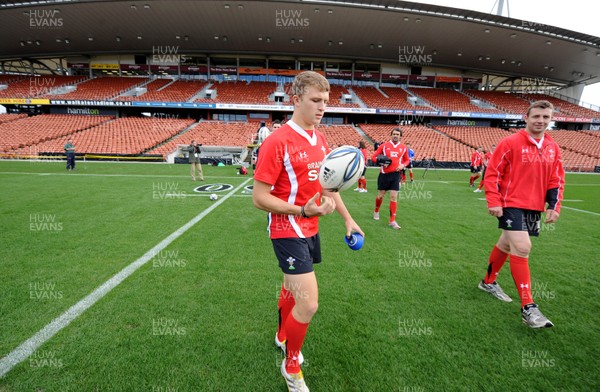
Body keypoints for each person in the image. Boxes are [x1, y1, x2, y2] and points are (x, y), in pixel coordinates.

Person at [253, 71, 363, 392]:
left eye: (326, 102)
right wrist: (302, 210)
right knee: (309, 303)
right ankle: (291, 365)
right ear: (296, 98)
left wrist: (347, 219)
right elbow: (259, 198)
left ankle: (281, 335)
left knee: (291, 289)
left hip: (310, 227)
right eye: (315, 100)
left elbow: (329, 188)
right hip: (287, 230)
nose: (322, 107)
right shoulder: (277, 141)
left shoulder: (321, 139)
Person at [478, 100, 564, 329]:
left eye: (546, 117)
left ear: (550, 119)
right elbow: (492, 173)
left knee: (506, 245)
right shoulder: (510, 142)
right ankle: (529, 308)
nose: (541, 121)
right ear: (526, 117)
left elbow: (556, 180)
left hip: (533, 206)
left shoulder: (553, 147)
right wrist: (493, 200)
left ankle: (488, 282)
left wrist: (554, 205)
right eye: (536, 116)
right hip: (509, 204)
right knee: (523, 247)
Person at [372, 128, 410, 230]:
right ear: (391, 135)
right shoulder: (384, 146)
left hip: (396, 175)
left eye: (397, 134)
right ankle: (376, 211)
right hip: (384, 175)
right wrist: (381, 163)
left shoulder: (403, 148)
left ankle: (392, 221)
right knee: (380, 196)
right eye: (394, 134)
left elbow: (407, 160)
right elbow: (374, 157)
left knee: (393, 197)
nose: (395, 135)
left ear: (400, 136)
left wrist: (402, 165)